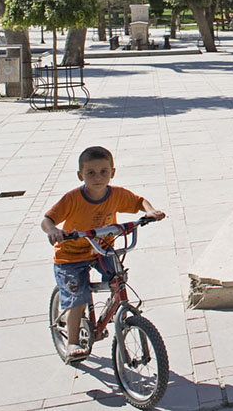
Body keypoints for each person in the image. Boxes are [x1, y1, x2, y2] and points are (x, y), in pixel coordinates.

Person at [41, 146, 165, 360]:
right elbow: (48, 220)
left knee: (117, 278)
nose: (98, 177)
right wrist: (54, 230)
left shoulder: (116, 195)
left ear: (112, 172)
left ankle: (108, 314)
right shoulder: (72, 199)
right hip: (71, 255)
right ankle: (72, 342)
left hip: (101, 249)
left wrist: (150, 211)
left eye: (103, 172)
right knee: (78, 298)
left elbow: (138, 202)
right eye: (90, 173)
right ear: (80, 175)